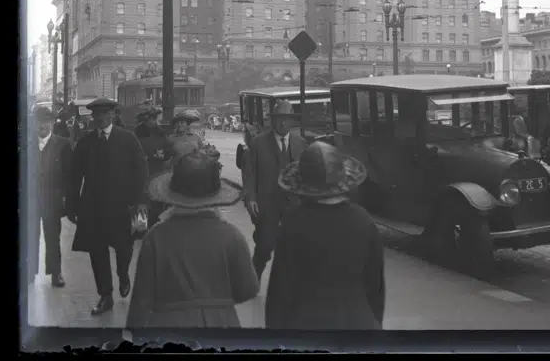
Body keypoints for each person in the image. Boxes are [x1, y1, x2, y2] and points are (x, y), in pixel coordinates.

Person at [126, 149, 259, 328]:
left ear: (172, 194)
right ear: (215, 196)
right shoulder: (232, 236)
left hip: (168, 327)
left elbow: (142, 299)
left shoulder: (155, 238)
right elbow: (248, 289)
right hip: (222, 324)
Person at [266, 141, 386, 329]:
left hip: (306, 323)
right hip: (358, 321)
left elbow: (281, 290)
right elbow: (375, 286)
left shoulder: (293, 224)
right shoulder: (363, 220)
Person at [66, 98, 150, 316]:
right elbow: (74, 176)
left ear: (113, 115)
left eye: (105, 114)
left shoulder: (128, 139)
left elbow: (141, 171)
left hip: (123, 207)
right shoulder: (85, 143)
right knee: (97, 252)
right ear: (92, 117)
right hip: (92, 208)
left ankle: (123, 274)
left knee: (125, 247)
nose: (101, 118)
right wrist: (72, 205)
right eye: (97, 115)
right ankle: (105, 295)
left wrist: (141, 201)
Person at [244, 100, 307, 280]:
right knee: (264, 247)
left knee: (293, 250)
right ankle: (252, 283)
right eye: (279, 119)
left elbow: (307, 175)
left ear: (292, 121)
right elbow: (249, 174)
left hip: (293, 206)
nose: (282, 123)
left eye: (286, 119)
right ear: (272, 121)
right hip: (267, 205)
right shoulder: (258, 144)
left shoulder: (301, 144)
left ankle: (290, 286)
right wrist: (251, 198)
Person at [30, 106, 73, 288]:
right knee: (30, 236)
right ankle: (29, 272)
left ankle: (56, 273)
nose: (42, 126)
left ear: (52, 123)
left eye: (46, 122)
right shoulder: (25, 144)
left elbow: (69, 175)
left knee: (53, 237)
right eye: (39, 121)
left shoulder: (63, 145)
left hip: (52, 201)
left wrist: (66, 198)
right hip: (30, 201)